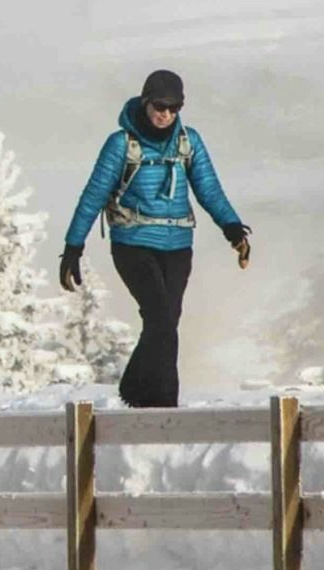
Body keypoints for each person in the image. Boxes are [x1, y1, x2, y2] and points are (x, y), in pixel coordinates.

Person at [59, 69, 251, 408]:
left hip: (177, 244)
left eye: (174, 107)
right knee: (161, 315)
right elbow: (93, 195)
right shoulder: (121, 144)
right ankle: (154, 400)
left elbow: (208, 188)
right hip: (132, 242)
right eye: (159, 106)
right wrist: (73, 246)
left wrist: (232, 228)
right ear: (145, 102)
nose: (165, 114)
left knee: (167, 320)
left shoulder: (188, 141)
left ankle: (148, 399)